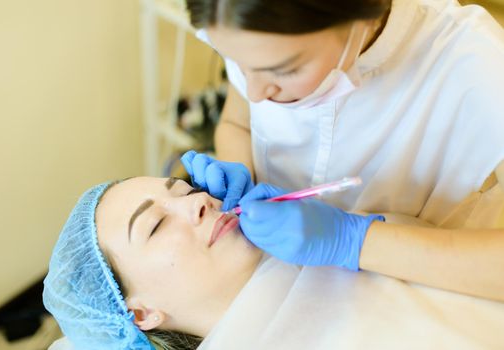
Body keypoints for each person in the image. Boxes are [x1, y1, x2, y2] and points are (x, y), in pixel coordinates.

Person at [180, 0, 504, 300]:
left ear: (363, 15)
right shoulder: (246, 23)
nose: (254, 92)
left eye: (284, 70)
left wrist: (352, 240)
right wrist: (238, 171)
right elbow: (238, 123)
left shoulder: (476, 62)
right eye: (239, 64)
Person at [43, 177, 504, 350]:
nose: (199, 202)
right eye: (155, 226)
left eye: (181, 190)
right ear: (140, 314)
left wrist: (359, 236)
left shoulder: (315, 241)